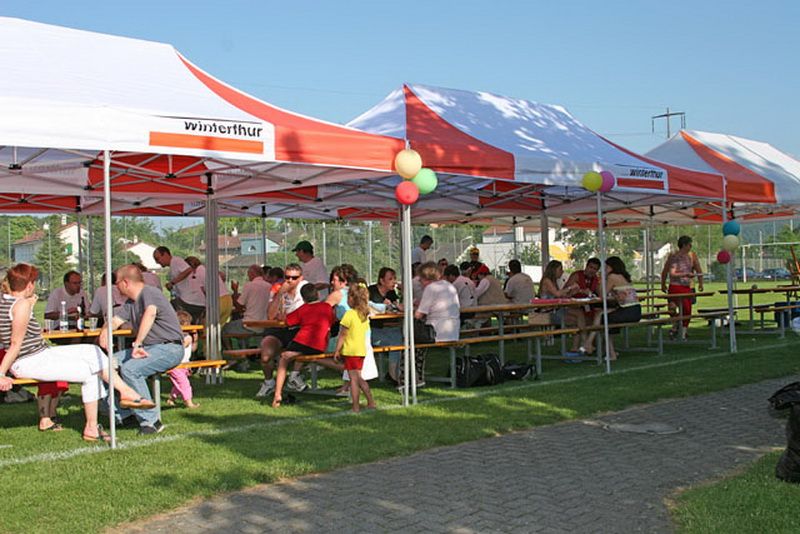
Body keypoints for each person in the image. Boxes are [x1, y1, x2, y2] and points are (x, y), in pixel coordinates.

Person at [0, 263, 153, 442]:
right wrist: (1, 374)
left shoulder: (7, 301)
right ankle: (96, 422)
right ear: (29, 285)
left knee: (93, 351)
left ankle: (120, 397)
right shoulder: (21, 305)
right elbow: (15, 343)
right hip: (29, 360)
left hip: (40, 353)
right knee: (91, 371)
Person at [100, 265, 186, 435]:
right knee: (104, 365)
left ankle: (151, 422)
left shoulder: (150, 292)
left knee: (130, 369)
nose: (116, 287)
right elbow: (115, 321)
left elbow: (150, 313)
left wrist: (138, 343)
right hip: (149, 348)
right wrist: (105, 331)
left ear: (125, 282)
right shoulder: (130, 303)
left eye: (116, 283)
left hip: (169, 348)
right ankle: (124, 414)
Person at [272, 284, 337, 408]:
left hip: (304, 341)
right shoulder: (327, 307)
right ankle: (294, 375)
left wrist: (281, 312)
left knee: (284, 358)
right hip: (320, 344)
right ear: (317, 294)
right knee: (303, 354)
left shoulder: (303, 309)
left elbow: (287, 321)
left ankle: (277, 393)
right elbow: (332, 321)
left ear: (303, 298)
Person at [255, 263, 307, 398]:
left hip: (298, 329)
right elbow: (271, 315)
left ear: (301, 278)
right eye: (287, 277)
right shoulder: (278, 289)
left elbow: (307, 314)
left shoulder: (305, 289)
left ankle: (295, 375)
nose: (290, 281)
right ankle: (269, 382)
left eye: (294, 278)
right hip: (278, 329)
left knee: (307, 343)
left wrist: (288, 317)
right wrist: (279, 294)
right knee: (265, 355)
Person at [581, 257, 642, 360]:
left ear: (612, 267)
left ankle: (595, 345)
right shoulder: (623, 277)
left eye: (606, 267)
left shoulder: (612, 276)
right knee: (600, 314)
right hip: (634, 310)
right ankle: (591, 344)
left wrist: (601, 280)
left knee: (603, 320)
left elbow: (602, 294)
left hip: (628, 311)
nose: (604, 269)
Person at [333, 283, 376, 413]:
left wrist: (337, 350)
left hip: (351, 351)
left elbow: (343, 334)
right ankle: (370, 401)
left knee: (354, 380)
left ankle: (356, 406)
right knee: (359, 378)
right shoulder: (364, 314)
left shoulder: (349, 314)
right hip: (361, 350)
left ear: (352, 298)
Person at [661, 235, 704, 340]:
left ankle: (682, 331)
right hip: (676, 286)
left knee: (687, 310)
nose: (691, 247)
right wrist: (663, 283)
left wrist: (700, 283)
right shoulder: (674, 256)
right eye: (689, 245)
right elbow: (668, 271)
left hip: (686, 286)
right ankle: (676, 326)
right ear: (684, 245)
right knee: (672, 308)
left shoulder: (691, 256)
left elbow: (699, 270)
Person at [153, 246, 205, 323]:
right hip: (195, 301)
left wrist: (172, 282)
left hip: (191, 301)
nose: (157, 262)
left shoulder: (176, 261)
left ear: (165, 254)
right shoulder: (173, 265)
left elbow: (188, 270)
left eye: (157, 259)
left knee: (169, 308)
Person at [224, 264, 271, 344]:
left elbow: (239, 306)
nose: (248, 276)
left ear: (252, 274)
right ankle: (248, 348)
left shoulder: (249, 285)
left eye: (248, 274)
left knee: (223, 329)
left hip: (249, 323)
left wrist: (235, 291)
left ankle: (230, 349)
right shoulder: (269, 286)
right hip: (264, 324)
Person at [416, 262, 460, 342]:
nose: (420, 282)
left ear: (426, 278)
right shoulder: (450, 285)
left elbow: (418, 315)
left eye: (420, 279)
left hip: (436, 332)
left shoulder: (430, 288)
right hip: (453, 331)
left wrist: (407, 309)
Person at [564, 258, 601, 353]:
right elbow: (564, 292)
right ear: (586, 266)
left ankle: (582, 346)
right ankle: (586, 343)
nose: (592, 270)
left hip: (586, 307)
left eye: (595, 269)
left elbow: (600, 293)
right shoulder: (576, 276)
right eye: (591, 267)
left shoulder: (595, 279)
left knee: (597, 316)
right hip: (571, 307)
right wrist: (580, 291)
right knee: (581, 317)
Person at [166, 311, 199, 409]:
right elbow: (180, 348)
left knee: (178, 384)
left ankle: (171, 399)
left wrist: (195, 340)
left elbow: (193, 349)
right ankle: (189, 402)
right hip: (176, 365)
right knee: (184, 384)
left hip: (184, 365)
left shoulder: (187, 337)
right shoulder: (180, 337)